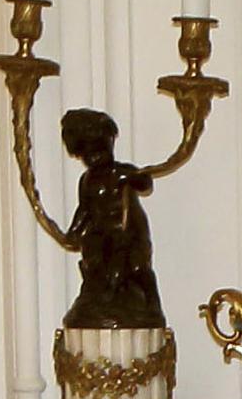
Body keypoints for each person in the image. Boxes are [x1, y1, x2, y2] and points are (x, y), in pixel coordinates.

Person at [57, 108, 164, 328]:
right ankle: (97, 298)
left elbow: (145, 184)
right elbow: (85, 210)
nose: (95, 157)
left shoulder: (122, 173)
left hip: (129, 232)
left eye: (99, 149)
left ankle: (152, 304)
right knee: (95, 261)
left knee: (137, 267)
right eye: (88, 153)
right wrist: (73, 233)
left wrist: (137, 177)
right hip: (102, 233)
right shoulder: (87, 181)